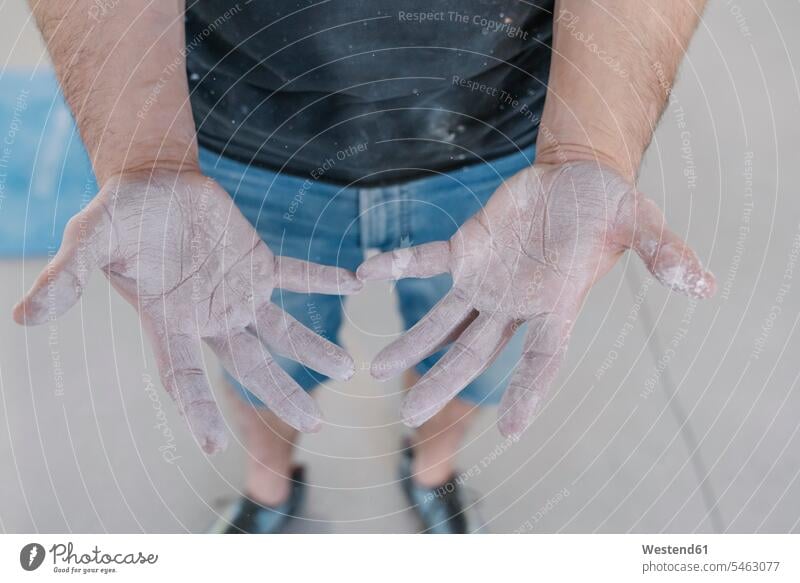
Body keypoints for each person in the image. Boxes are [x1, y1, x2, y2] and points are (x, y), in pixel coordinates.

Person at [17, 0, 715, 533]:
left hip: (505, 138)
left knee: (468, 355)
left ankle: (433, 473)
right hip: (240, 137)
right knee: (263, 357)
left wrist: (586, 149)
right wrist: (146, 155)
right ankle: (270, 487)